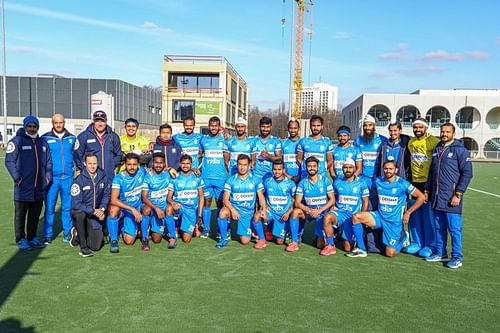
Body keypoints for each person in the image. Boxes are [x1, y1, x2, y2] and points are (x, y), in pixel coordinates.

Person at [352, 160, 425, 258]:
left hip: (393, 222)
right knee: (357, 217)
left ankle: (403, 238)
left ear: (396, 170)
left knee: (390, 254)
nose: (388, 171)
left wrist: (408, 213)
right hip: (380, 216)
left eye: (391, 169)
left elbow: (421, 197)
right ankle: (361, 249)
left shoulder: (402, 184)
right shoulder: (378, 181)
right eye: (386, 169)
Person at [425, 123, 473, 269]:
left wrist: (458, 194)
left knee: (454, 229)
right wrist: (427, 190)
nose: (444, 134)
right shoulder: (437, 149)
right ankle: (441, 253)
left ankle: (457, 256)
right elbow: (432, 173)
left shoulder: (460, 150)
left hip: (451, 198)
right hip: (437, 198)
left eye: (447, 131)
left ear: (453, 133)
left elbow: (467, 173)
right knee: (439, 228)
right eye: (442, 131)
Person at [5, 115, 52, 250]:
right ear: (25, 126)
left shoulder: (42, 143)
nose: (32, 129)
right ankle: (20, 239)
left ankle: (32, 237)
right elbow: (9, 161)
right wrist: (18, 178)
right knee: (20, 215)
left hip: (39, 187)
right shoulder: (17, 141)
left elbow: (49, 162)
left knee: (34, 215)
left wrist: (47, 178)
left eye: (34, 126)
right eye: (29, 126)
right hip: (23, 188)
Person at [405, 118, 441, 257]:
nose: (418, 130)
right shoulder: (411, 142)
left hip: (428, 182)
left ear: (426, 128)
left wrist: (430, 185)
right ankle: (416, 242)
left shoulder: (434, 142)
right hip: (414, 182)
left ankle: (431, 244)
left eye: (421, 127)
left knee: (428, 213)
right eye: (415, 127)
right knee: (414, 212)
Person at [216, 154, 267, 249]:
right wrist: (232, 210)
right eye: (240, 164)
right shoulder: (230, 180)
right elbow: (225, 199)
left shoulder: (255, 180)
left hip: (248, 213)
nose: (242, 167)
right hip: (234, 210)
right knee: (222, 212)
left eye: (244, 165)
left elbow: (261, 198)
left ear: (249, 165)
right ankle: (223, 238)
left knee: (245, 241)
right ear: (237, 165)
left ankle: (251, 229)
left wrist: (263, 210)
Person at [321, 159, 370, 257]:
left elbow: (365, 201)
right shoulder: (337, 182)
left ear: (354, 168)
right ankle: (330, 246)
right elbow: (333, 197)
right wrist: (333, 206)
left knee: (347, 248)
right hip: (340, 213)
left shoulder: (361, 183)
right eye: (345, 167)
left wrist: (362, 216)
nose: (348, 170)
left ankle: (357, 237)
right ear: (342, 169)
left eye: (350, 167)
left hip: (353, 216)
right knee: (327, 218)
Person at [41, 114, 76, 244]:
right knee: (50, 207)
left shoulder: (72, 138)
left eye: (61, 122)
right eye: (56, 123)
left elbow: (76, 157)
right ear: (52, 123)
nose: (59, 125)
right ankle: (48, 235)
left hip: (68, 178)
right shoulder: (45, 138)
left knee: (67, 207)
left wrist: (76, 172)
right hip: (52, 179)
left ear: (64, 122)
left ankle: (67, 232)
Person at [354, 114, 386, 253]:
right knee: (363, 211)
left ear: (374, 126)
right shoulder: (358, 141)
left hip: (379, 183)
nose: (367, 128)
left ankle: (382, 242)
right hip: (363, 182)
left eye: (370, 125)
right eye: (365, 125)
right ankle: (365, 242)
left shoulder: (382, 140)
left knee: (379, 213)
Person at [289, 156, 336, 252]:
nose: (312, 168)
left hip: (322, 213)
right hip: (309, 212)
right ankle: (294, 242)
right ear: (306, 168)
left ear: (318, 167)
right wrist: (310, 210)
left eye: (314, 166)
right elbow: (297, 203)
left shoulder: (325, 180)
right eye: (309, 166)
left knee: (320, 245)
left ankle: (324, 236)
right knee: (296, 212)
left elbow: (332, 200)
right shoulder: (302, 183)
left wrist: (319, 210)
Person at [70, 153, 111, 257]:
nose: (92, 166)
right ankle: (83, 248)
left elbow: (106, 195)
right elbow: (76, 204)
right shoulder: (78, 180)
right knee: (80, 215)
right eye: (90, 163)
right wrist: (93, 211)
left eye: (95, 163)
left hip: (96, 213)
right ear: (84, 164)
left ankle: (78, 235)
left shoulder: (103, 177)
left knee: (96, 246)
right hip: (82, 212)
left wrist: (102, 209)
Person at [106, 153, 148, 253]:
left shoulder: (142, 171)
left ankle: (145, 239)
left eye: (134, 164)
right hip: (124, 209)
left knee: (129, 241)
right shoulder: (119, 178)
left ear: (138, 165)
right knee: (113, 209)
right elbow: (114, 199)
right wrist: (132, 209)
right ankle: (114, 240)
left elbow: (155, 170)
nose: (132, 167)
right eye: (129, 164)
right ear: (125, 164)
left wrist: (169, 169)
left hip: (137, 207)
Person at [166, 155, 205, 246]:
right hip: (178, 208)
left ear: (191, 164)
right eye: (183, 163)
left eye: (188, 163)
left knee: (186, 240)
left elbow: (201, 196)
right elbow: (169, 197)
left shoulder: (197, 177)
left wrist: (199, 216)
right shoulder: (175, 177)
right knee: (168, 208)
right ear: (180, 164)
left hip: (190, 211)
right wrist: (173, 203)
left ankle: (184, 226)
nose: (185, 165)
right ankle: (172, 237)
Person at [74, 110, 122, 182]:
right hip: (91, 177)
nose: (100, 124)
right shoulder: (83, 136)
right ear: (93, 122)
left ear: (106, 122)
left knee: (108, 193)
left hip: (108, 176)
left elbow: (118, 154)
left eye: (102, 121)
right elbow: (78, 156)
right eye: (97, 121)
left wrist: (111, 164)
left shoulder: (113, 136)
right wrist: (85, 170)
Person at [199, 116, 227, 238]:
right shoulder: (203, 140)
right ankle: (206, 229)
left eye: (216, 125)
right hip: (206, 177)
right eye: (211, 125)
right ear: (209, 126)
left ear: (219, 127)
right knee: (207, 202)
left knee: (220, 204)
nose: (213, 128)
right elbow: (199, 155)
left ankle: (222, 230)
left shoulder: (225, 140)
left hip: (221, 178)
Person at [261, 159, 296, 250]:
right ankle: (261, 237)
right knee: (258, 216)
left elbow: (295, 200)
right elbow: (261, 195)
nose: (277, 172)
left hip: (283, 214)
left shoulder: (290, 183)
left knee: (279, 242)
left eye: (279, 169)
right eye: (275, 169)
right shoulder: (267, 181)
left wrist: (288, 213)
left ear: (283, 170)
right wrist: (264, 207)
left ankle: (286, 230)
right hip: (271, 212)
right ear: (272, 170)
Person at [141, 153, 172, 245]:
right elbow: (144, 198)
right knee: (146, 210)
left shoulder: (168, 175)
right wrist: (156, 208)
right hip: (151, 207)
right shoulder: (147, 177)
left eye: (161, 163)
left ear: (164, 164)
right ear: (152, 163)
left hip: (161, 210)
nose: (158, 165)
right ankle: (144, 238)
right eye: (156, 163)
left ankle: (157, 229)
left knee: (157, 240)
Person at [296, 115, 334, 179]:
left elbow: (330, 160)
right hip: (305, 176)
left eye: (318, 125)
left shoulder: (327, 142)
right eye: (313, 125)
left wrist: (321, 170)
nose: (316, 128)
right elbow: (299, 159)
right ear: (310, 126)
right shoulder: (303, 141)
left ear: (322, 126)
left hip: (321, 177)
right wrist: (306, 169)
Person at [251, 116, 282, 184]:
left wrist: (268, 156)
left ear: (271, 127)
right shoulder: (253, 141)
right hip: (256, 176)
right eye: (263, 126)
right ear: (259, 126)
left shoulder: (275, 141)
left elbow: (280, 159)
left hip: (270, 176)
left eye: (267, 127)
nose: (265, 129)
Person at [281, 118, 301, 183]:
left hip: (300, 178)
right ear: (288, 129)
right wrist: (287, 175)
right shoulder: (283, 143)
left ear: (299, 129)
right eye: (291, 128)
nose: (293, 130)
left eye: (295, 128)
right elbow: (281, 162)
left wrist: (299, 177)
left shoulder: (303, 142)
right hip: (286, 178)